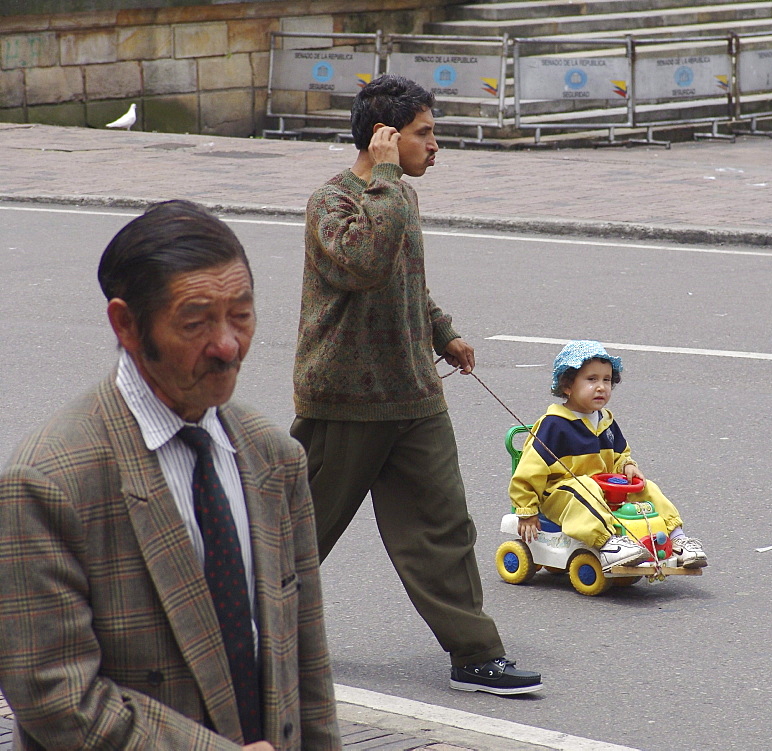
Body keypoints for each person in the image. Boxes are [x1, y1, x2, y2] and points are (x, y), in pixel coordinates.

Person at [0, 200, 340, 750]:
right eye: (196, 322)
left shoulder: (273, 457)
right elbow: (57, 697)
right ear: (127, 324)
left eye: (242, 315)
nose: (228, 345)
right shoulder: (49, 483)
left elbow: (306, 667)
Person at [290, 74, 542, 696]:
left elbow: (405, 280)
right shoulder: (335, 203)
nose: (435, 146)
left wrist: (442, 333)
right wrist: (382, 180)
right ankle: (234, 630)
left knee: (444, 528)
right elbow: (366, 263)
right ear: (383, 137)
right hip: (345, 401)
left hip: (412, 396)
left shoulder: (394, 196)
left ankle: (476, 655)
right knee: (295, 535)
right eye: (423, 133)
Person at [510, 340, 709, 571]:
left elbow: (619, 453)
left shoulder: (605, 421)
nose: (602, 387)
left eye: (606, 380)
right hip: (561, 495)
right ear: (567, 385)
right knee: (584, 486)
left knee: (645, 486)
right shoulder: (554, 425)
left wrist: (627, 465)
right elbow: (527, 472)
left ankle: (677, 537)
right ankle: (607, 543)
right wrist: (526, 511)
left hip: (601, 489)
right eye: (591, 379)